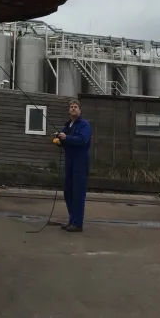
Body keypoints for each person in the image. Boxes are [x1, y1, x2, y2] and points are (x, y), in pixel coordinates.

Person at [57, 99, 91, 232]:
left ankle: (78, 224)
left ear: (80, 110)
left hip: (80, 162)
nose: (73, 109)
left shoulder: (84, 125)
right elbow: (64, 140)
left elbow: (82, 140)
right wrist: (58, 140)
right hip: (69, 161)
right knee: (68, 191)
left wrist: (66, 138)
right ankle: (72, 220)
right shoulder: (67, 126)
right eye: (71, 107)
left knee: (78, 192)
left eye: (75, 107)